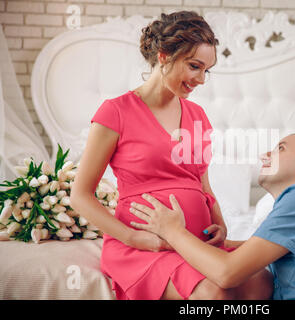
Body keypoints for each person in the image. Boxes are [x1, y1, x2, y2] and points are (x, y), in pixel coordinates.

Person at [70, 11, 273, 300]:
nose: (201, 79)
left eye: (207, 70)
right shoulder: (115, 112)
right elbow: (80, 195)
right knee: (214, 293)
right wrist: (133, 237)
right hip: (144, 246)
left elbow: (202, 182)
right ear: (164, 56)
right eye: (194, 66)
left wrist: (220, 222)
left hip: (198, 243)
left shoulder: (197, 115)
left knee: (262, 282)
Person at [129, 133, 295, 300]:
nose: (264, 154)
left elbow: (227, 274)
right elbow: (275, 249)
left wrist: (172, 230)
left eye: (280, 148)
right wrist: (227, 244)